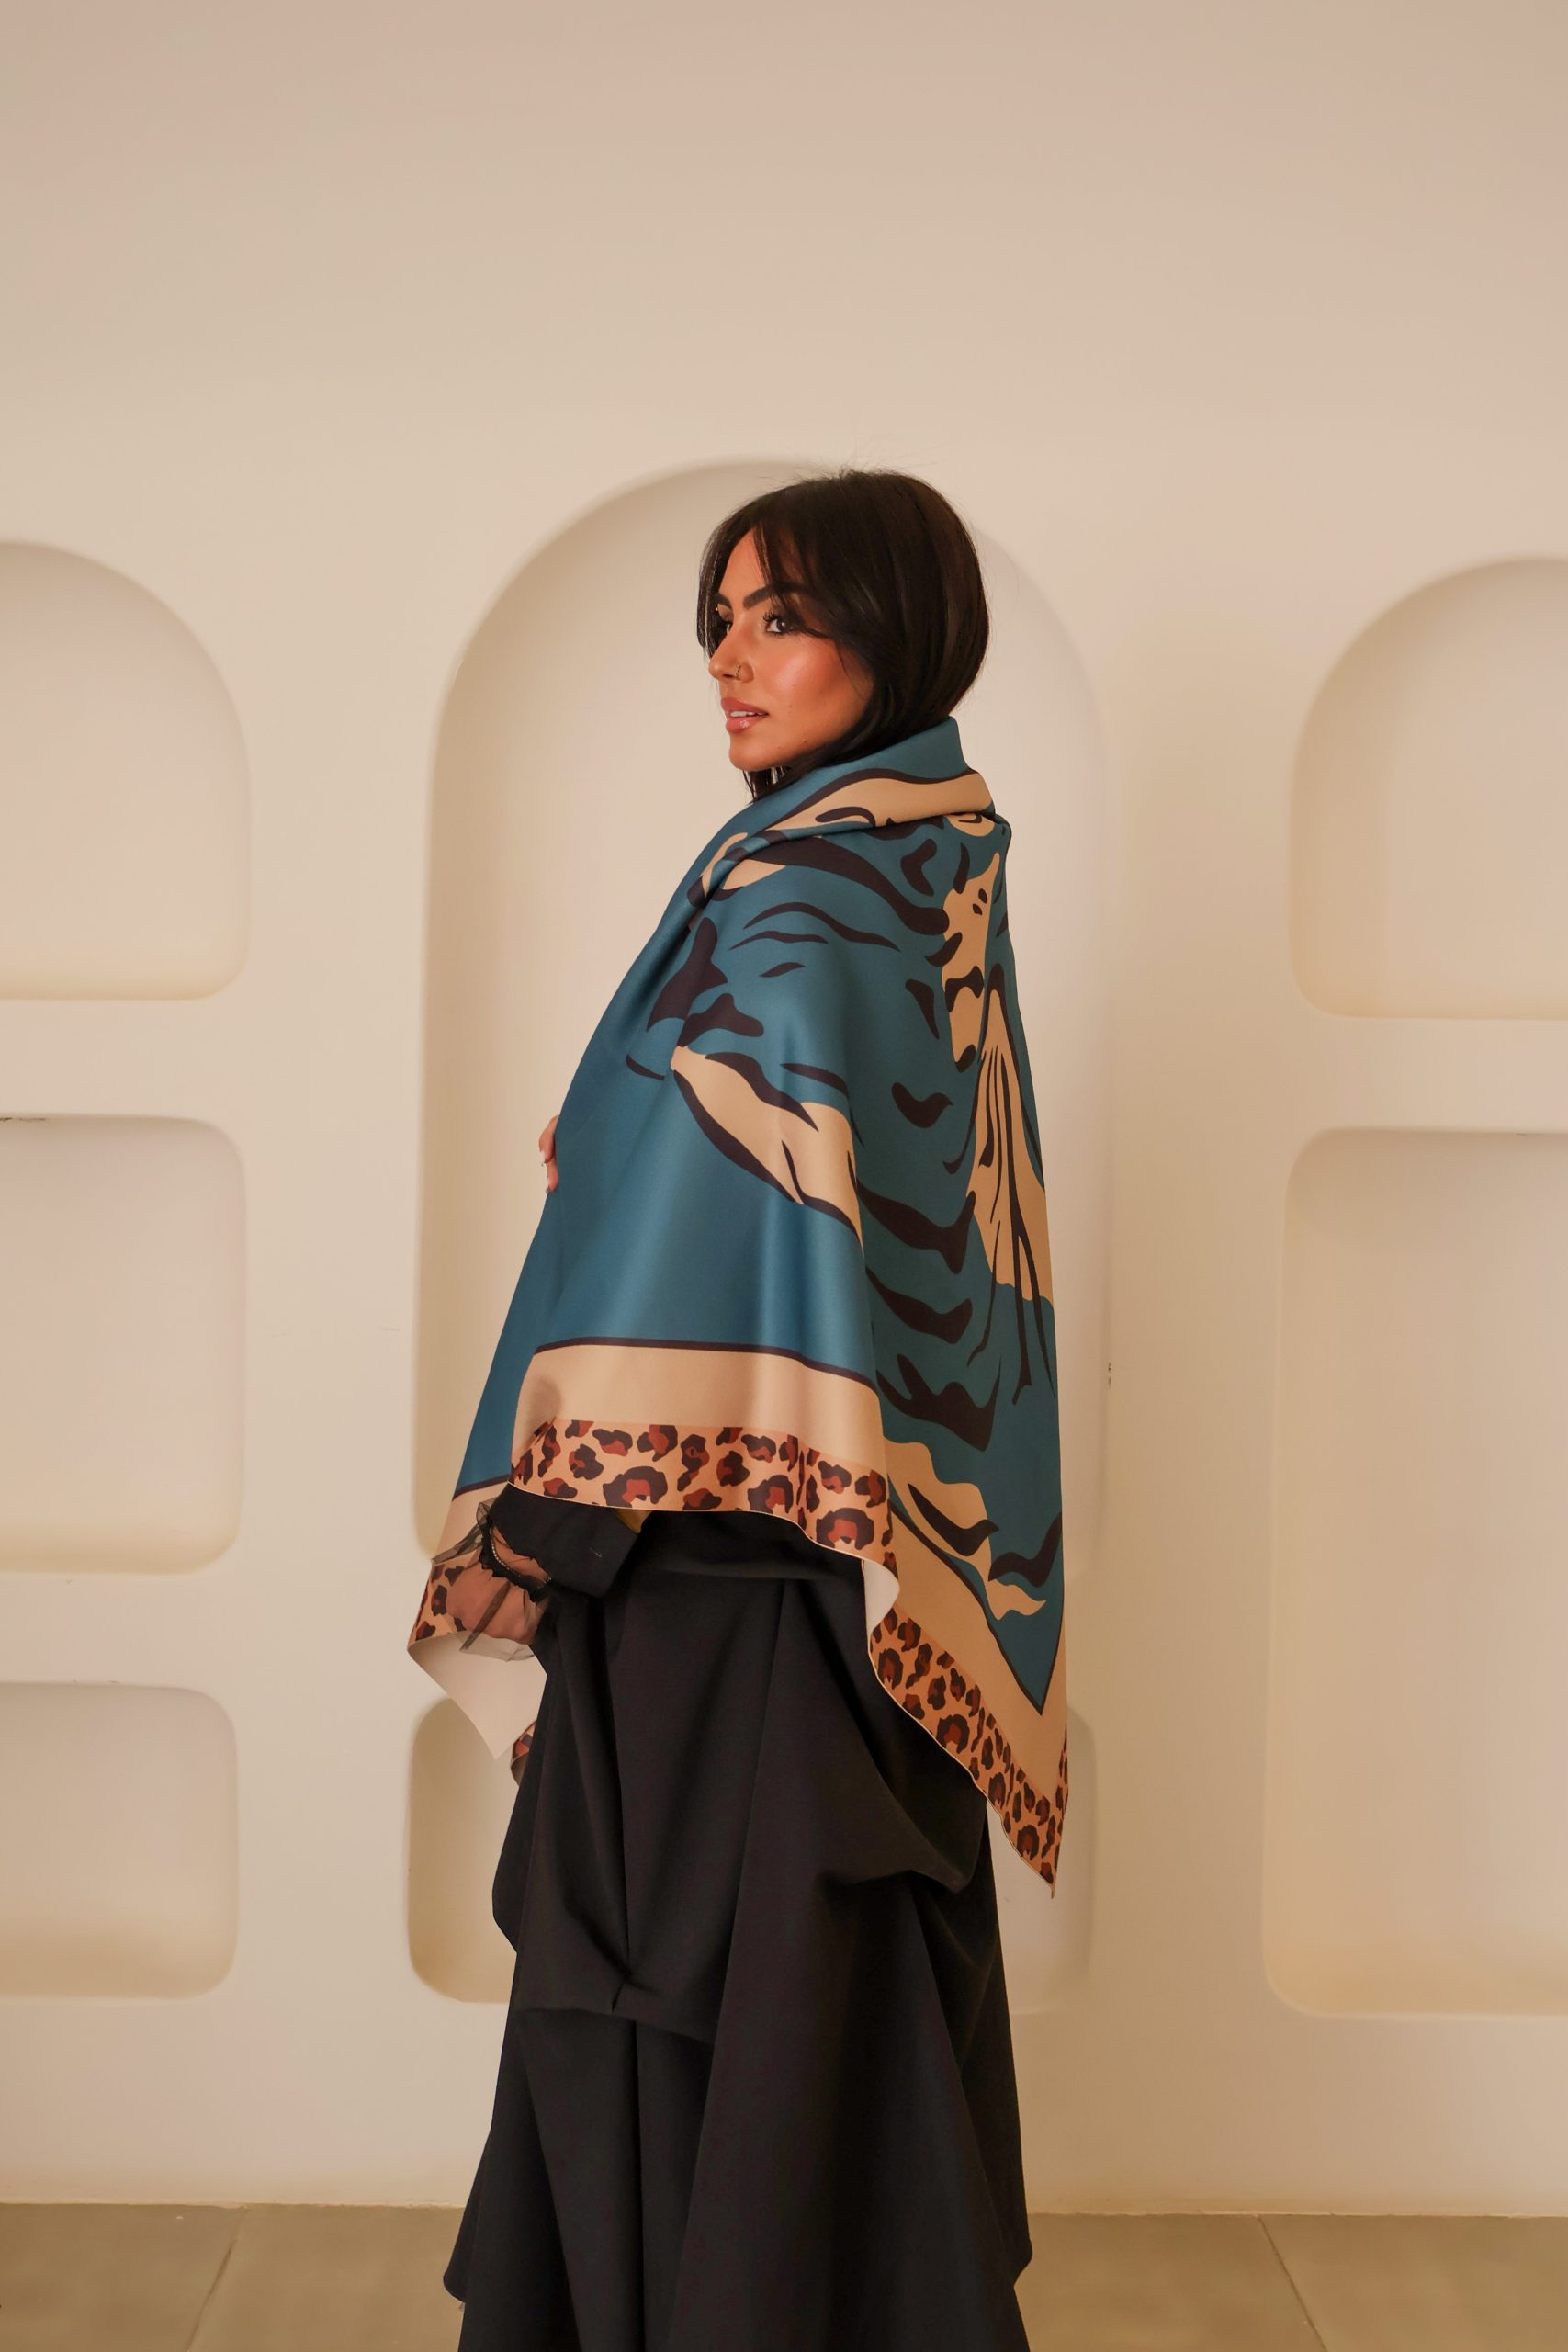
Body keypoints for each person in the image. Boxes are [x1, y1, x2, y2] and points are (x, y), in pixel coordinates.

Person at [411, 466, 1067, 2351]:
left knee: (705, 2010)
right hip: (826, 1568)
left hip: (717, 1583)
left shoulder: (804, 888)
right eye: (718, 620)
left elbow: (722, 1197)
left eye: (779, 615)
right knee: (798, 2017)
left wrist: (549, 1528)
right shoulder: (915, 861)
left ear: (895, 632)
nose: (731, 657)